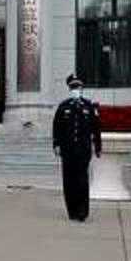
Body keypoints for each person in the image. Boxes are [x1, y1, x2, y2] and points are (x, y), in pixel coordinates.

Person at [53, 74, 102, 222]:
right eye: (73, 88)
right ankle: (72, 211)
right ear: (69, 89)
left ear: (82, 89)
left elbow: (96, 128)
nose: (76, 90)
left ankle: (82, 212)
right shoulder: (63, 107)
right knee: (69, 180)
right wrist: (56, 144)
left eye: (78, 87)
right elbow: (57, 127)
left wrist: (97, 146)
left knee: (82, 179)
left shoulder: (89, 106)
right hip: (67, 150)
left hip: (83, 149)